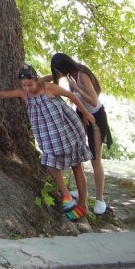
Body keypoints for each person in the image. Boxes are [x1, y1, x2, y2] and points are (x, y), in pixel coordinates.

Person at [0, 65, 95, 221]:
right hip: (49, 137)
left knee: (77, 165)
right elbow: (1, 94)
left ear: (36, 80)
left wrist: (86, 113)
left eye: (29, 85)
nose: (27, 88)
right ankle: (67, 195)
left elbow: (70, 95)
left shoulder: (48, 88)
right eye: (23, 85)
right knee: (51, 164)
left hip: (66, 130)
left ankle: (83, 205)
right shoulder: (23, 94)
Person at [46, 52, 113, 215]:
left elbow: (93, 100)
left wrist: (76, 89)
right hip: (81, 115)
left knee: (95, 159)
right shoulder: (69, 74)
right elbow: (50, 79)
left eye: (58, 70)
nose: (57, 74)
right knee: (78, 153)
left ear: (64, 66)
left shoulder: (82, 75)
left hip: (96, 117)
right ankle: (81, 190)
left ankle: (99, 199)